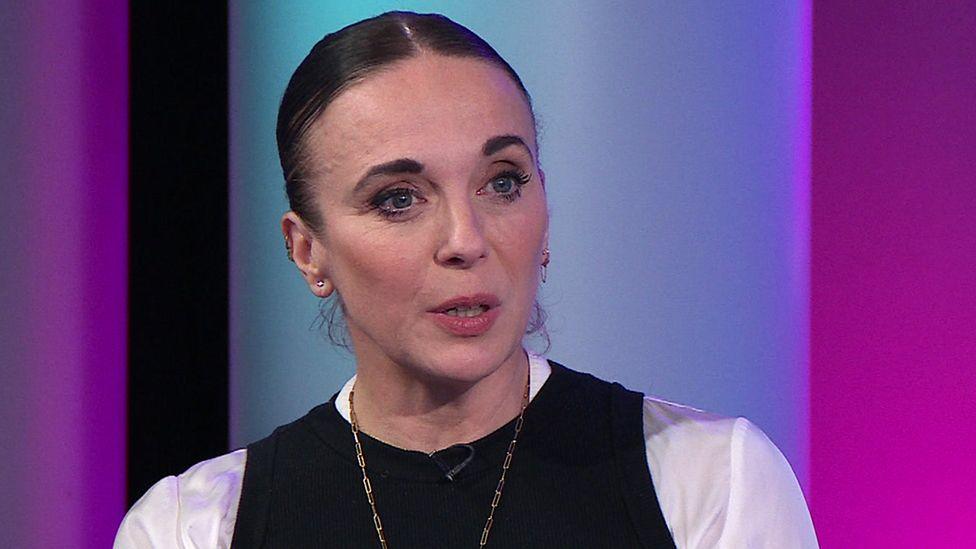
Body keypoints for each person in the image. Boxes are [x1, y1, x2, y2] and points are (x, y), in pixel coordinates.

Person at [115, 11, 818, 548]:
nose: (466, 240)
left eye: (502, 182)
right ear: (307, 250)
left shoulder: (709, 481)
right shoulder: (195, 526)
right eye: (398, 198)